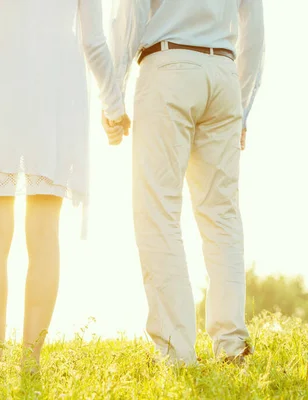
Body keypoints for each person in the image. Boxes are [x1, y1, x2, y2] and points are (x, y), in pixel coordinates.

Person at [0, 0, 129, 370]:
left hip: (0, 81)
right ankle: (30, 361)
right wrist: (114, 106)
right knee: (45, 233)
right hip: (56, 89)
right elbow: (93, 40)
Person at [107, 0, 265, 364]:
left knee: (158, 212)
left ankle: (176, 352)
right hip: (223, 71)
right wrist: (242, 106)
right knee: (222, 217)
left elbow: (129, 15)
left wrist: (113, 97)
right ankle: (232, 346)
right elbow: (253, 29)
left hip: (168, 66)